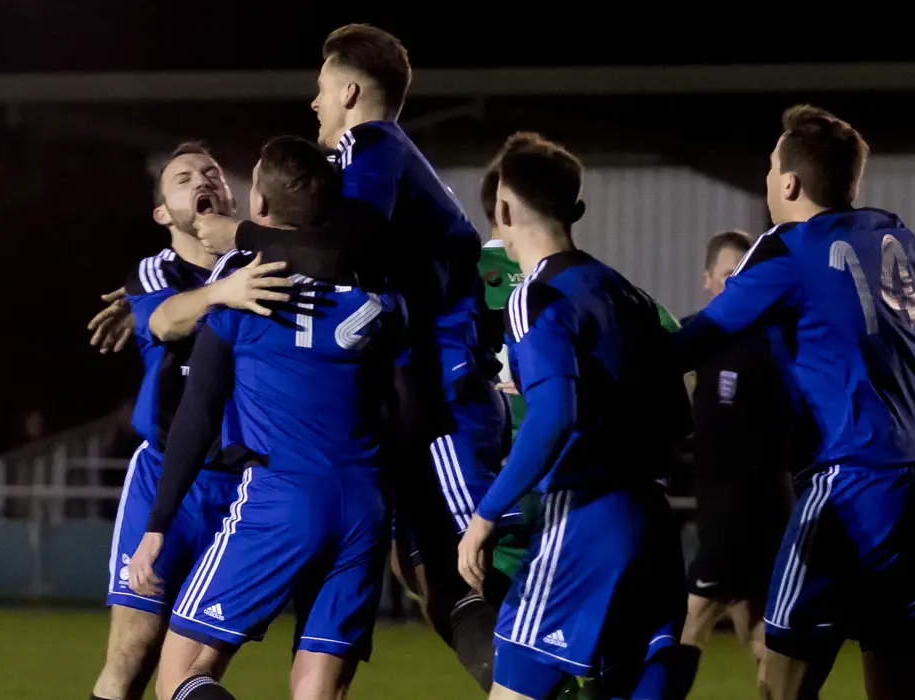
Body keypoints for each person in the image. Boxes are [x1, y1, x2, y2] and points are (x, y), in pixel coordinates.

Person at [193, 24, 513, 692]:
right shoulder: (386, 161)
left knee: (467, 572)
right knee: (430, 575)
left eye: (319, 90)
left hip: (444, 392)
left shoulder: (372, 145)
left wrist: (241, 234)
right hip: (421, 392)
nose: (313, 104)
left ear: (348, 89)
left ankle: (552, 673)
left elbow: (339, 253)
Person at [674, 104, 915, 700]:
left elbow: (692, 343)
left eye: (770, 167)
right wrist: (894, 387)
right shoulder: (895, 233)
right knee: (903, 687)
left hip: (850, 485)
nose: (766, 180)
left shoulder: (785, 248)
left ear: (789, 182)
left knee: (781, 682)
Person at [127, 136, 400, 700]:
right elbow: (400, 404)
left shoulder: (242, 280)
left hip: (284, 495)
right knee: (317, 689)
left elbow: (198, 413)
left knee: (180, 674)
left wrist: (157, 525)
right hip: (366, 501)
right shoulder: (375, 287)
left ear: (261, 210)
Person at [458, 132, 691, 700]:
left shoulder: (536, 294)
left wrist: (485, 517)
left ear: (503, 210)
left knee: (513, 688)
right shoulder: (627, 293)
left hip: (585, 517)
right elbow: (678, 412)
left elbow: (554, 412)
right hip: (654, 524)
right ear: (577, 209)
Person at [90, 142, 294, 700]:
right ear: (163, 214)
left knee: (193, 672)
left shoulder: (271, 265)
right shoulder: (158, 270)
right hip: (165, 476)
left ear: (232, 197)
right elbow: (164, 319)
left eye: (210, 173)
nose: (201, 179)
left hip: (250, 486)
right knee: (132, 653)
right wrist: (224, 292)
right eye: (181, 178)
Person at [674, 230, 796, 698]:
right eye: (728, 276)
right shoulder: (693, 339)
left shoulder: (766, 344)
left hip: (745, 508)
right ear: (708, 280)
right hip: (728, 505)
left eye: (744, 277)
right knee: (762, 635)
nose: (736, 285)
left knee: (689, 622)